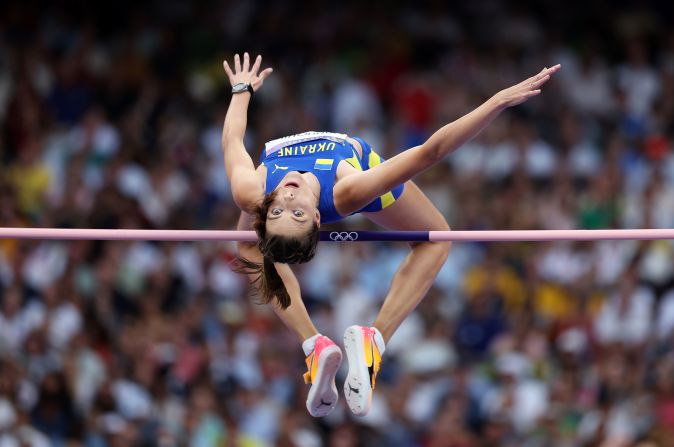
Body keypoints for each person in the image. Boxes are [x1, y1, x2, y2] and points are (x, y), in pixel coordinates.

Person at [221, 53, 560, 417]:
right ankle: (357, 342)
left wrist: (241, 90)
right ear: (316, 217)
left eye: (280, 210)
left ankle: (329, 345)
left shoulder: (252, 191)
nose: (286, 198)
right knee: (438, 239)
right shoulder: (345, 190)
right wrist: (496, 102)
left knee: (248, 243)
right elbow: (431, 152)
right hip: (359, 172)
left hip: (337, 178)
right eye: (295, 213)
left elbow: (232, 141)